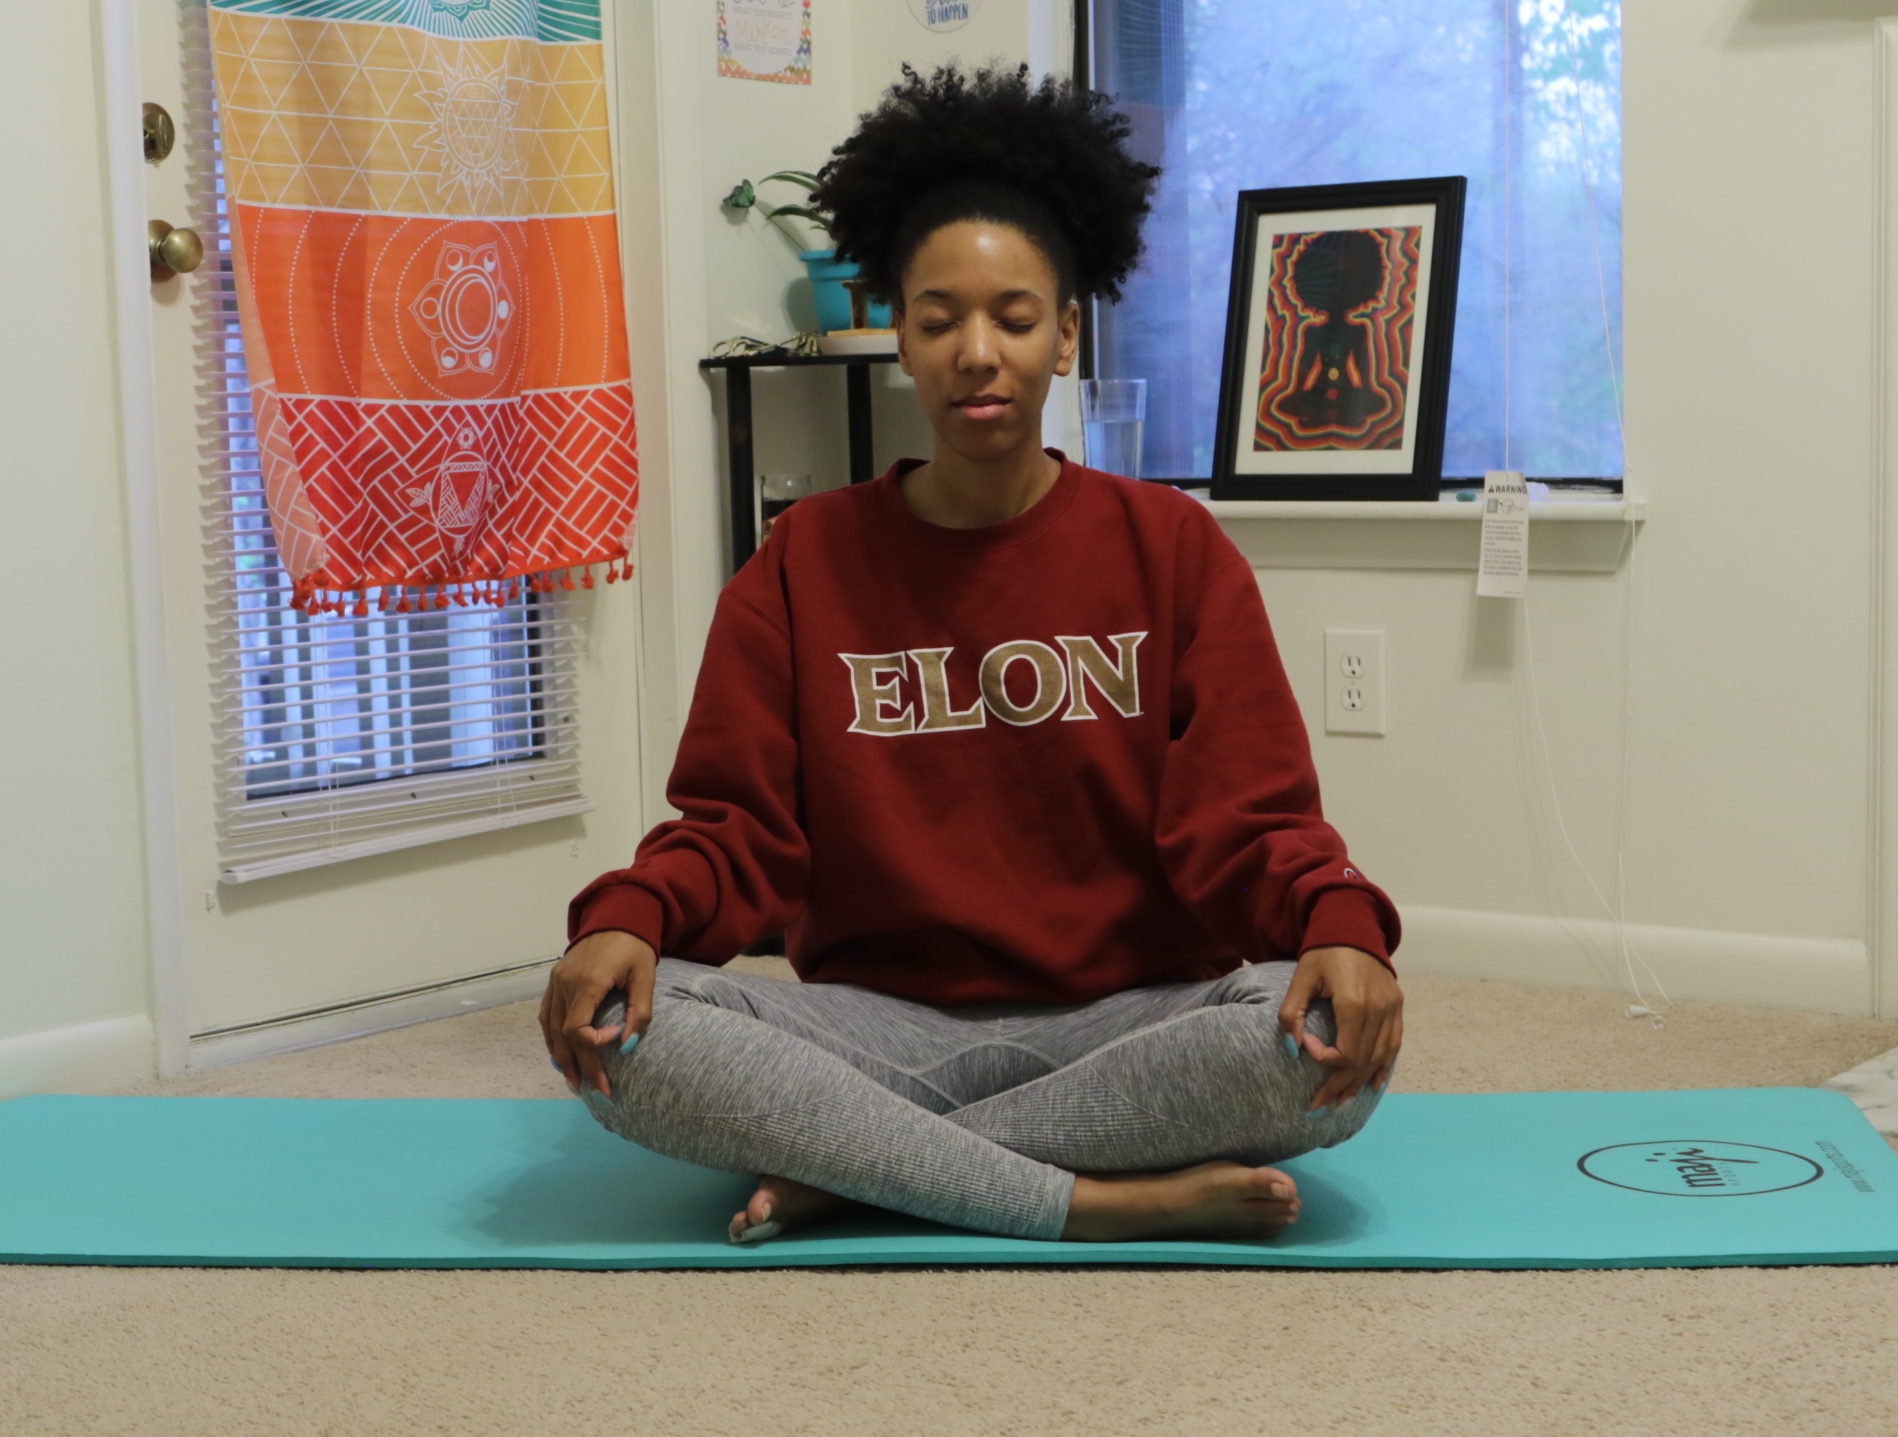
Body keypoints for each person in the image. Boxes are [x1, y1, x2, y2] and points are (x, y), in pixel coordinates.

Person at [537, 61, 1405, 1246]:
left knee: (1307, 1041)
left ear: (1064, 334)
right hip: (874, 1026)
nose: (975, 352)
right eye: (937, 319)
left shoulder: (1173, 551)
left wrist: (1339, 926)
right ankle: (1092, 1199)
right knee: (631, 1035)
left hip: (1131, 1020)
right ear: (898, 332)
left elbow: (1251, 824)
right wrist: (628, 918)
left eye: (1013, 318)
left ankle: (859, 1172)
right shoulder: (802, 563)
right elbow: (731, 828)